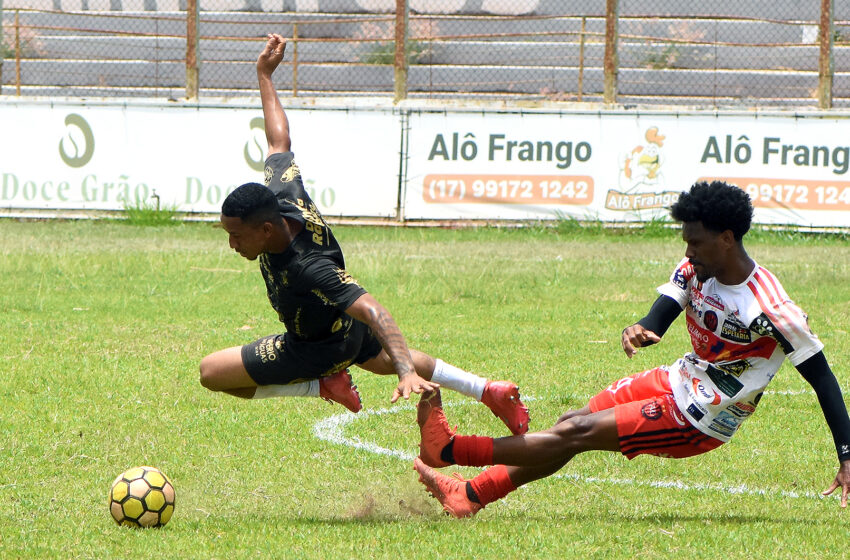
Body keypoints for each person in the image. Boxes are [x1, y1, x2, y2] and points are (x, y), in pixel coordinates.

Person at [412, 180, 850, 517]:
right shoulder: (697, 267)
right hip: (680, 377)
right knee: (573, 422)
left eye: (695, 240)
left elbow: (824, 381)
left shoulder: (772, 308)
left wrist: (847, 456)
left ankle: (450, 451)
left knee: (574, 434)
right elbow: (662, 312)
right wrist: (639, 328)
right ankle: (470, 494)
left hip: (702, 414)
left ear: (727, 239)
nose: (687, 249)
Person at [198, 33, 529, 435]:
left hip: (317, 346)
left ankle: (320, 384)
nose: (231, 245)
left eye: (236, 236)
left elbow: (374, 310)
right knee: (384, 357)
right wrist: (265, 75)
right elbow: (277, 139)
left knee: (212, 373)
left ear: (266, 230)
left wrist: (406, 373)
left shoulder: (307, 267)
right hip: (346, 332)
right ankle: (488, 390)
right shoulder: (283, 191)